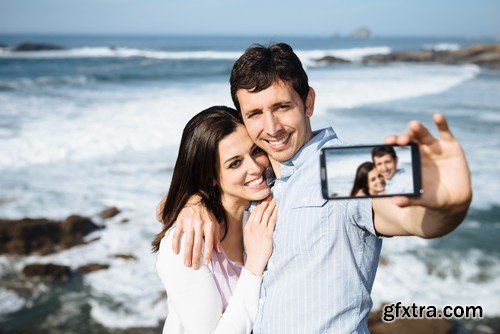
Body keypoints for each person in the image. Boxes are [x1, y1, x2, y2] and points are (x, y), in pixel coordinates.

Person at [160, 43, 472, 333]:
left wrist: (450, 207)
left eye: (282, 107)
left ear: (308, 101)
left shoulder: (343, 169)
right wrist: (195, 202)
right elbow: (195, 192)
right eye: (255, 114)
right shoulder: (261, 179)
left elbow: (411, 219)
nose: (272, 128)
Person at [152, 106, 278, 333]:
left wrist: (193, 201)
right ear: (209, 177)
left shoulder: (261, 209)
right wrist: (254, 265)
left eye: (256, 151)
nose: (255, 167)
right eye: (235, 163)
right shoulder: (186, 243)